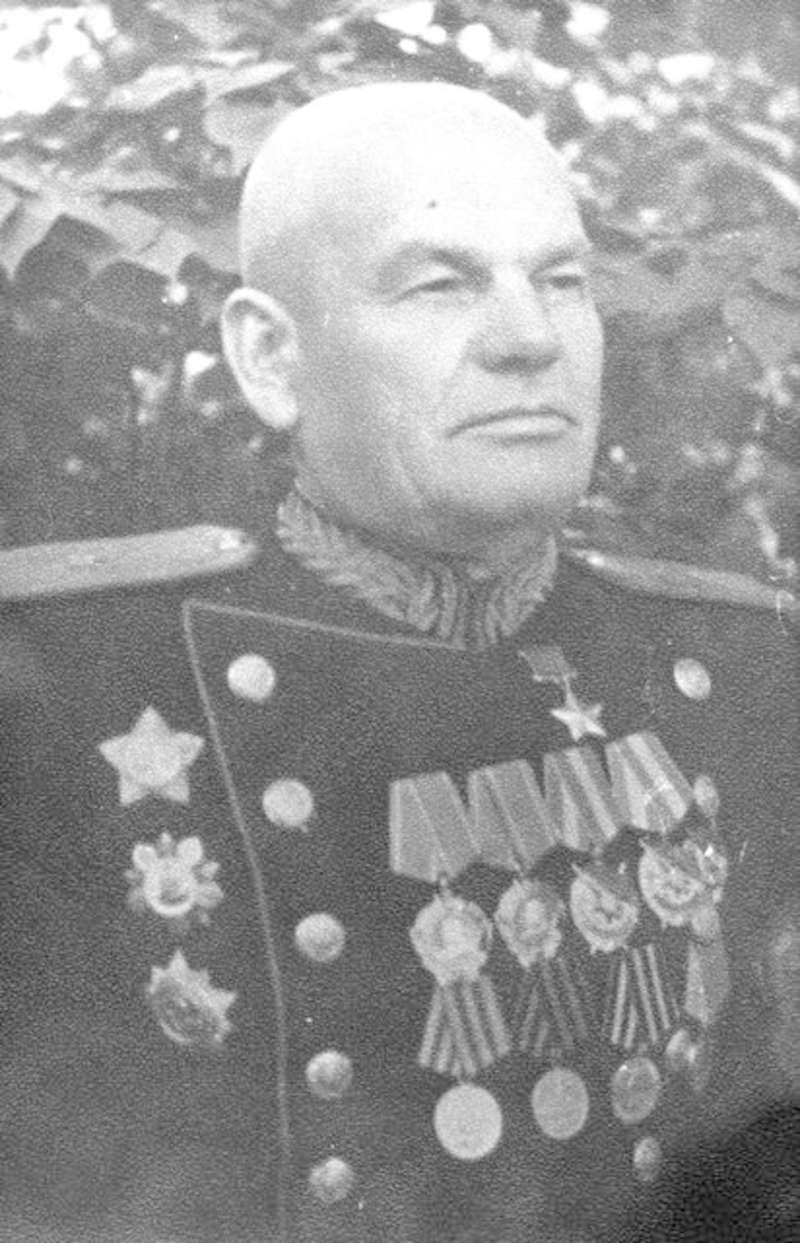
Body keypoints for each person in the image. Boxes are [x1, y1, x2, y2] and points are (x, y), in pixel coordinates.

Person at [1, 82, 797, 1243]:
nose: (528, 338)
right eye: (439, 284)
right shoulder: (60, 684)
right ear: (269, 356)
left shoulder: (736, 661)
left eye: (560, 281)